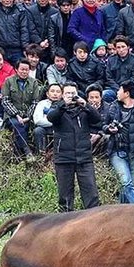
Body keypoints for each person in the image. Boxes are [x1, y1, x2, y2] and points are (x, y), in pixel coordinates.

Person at [47, 82, 101, 211]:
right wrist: (63, 105)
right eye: (67, 93)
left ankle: (94, 222)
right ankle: (65, 225)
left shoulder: (84, 109)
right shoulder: (57, 107)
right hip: (64, 158)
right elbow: (51, 117)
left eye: (73, 93)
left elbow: (97, 119)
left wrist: (85, 105)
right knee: (65, 196)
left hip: (84, 158)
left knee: (91, 194)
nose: (70, 96)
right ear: (62, 95)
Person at [103, 80, 134, 204]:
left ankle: (122, 213)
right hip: (117, 151)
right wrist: (109, 129)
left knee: (128, 186)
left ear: (126, 93)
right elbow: (103, 124)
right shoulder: (114, 106)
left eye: (119, 90)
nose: (117, 93)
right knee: (126, 182)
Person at [2, 58, 45, 158]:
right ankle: (27, 151)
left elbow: (35, 102)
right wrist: (16, 115)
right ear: (16, 69)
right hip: (12, 115)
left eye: (26, 69)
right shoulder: (8, 81)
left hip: (27, 115)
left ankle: (19, 156)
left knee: (24, 126)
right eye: (22, 69)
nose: (24, 72)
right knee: (18, 125)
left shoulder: (34, 83)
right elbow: (5, 100)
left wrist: (27, 117)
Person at [32, 82, 62, 156]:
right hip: (45, 128)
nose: (55, 94)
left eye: (58, 92)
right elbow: (37, 120)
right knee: (38, 130)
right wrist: (55, 122)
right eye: (52, 91)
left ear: (62, 94)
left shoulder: (64, 104)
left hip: (61, 129)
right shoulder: (42, 104)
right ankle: (41, 154)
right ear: (47, 94)